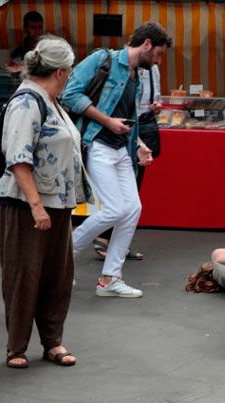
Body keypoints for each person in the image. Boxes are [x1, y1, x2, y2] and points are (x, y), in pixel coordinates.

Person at [0, 36, 90, 368]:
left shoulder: (52, 101)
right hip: (27, 204)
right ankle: (16, 347)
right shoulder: (27, 101)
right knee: (24, 275)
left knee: (57, 275)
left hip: (58, 203)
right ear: (61, 72)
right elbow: (18, 159)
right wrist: (36, 205)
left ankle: (53, 342)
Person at [61, 22, 171, 299]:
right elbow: (70, 93)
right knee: (113, 210)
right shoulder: (103, 59)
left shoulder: (136, 75)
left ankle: (110, 277)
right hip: (97, 143)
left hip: (121, 149)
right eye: (158, 54)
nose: (158, 60)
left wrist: (139, 145)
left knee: (132, 209)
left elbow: (127, 116)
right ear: (146, 44)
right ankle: (59, 261)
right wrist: (107, 121)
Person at [92, 63, 163, 261]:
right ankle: (101, 237)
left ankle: (117, 243)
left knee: (133, 191)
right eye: (158, 53)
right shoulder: (118, 66)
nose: (158, 58)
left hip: (141, 125)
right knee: (121, 195)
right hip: (125, 128)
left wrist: (156, 106)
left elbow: (154, 96)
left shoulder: (152, 68)